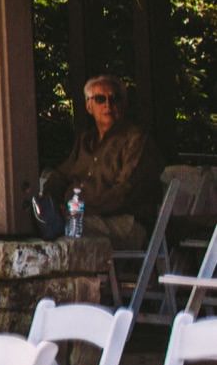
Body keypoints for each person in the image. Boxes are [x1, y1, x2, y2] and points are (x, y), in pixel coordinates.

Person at [39, 74, 160, 244]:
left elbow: (125, 191)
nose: (108, 105)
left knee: (68, 226)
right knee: (36, 223)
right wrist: (48, 204)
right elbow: (60, 176)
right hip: (78, 216)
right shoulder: (85, 141)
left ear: (123, 104)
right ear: (89, 106)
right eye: (100, 99)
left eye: (114, 99)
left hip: (123, 221)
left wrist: (81, 210)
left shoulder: (135, 140)